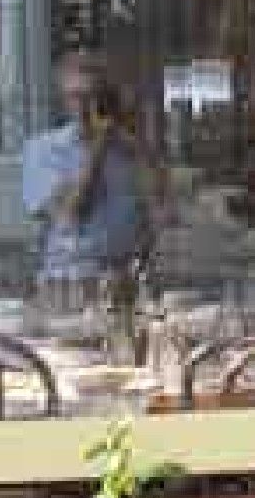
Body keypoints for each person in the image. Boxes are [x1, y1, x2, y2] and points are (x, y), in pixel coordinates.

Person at [12, 51, 158, 337]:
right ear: (63, 101)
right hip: (70, 283)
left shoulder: (128, 152)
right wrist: (97, 150)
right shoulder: (44, 150)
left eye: (93, 97)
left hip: (125, 283)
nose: (84, 108)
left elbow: (158, 214)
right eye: (75, 97)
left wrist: (141, 142)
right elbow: (70, 212)